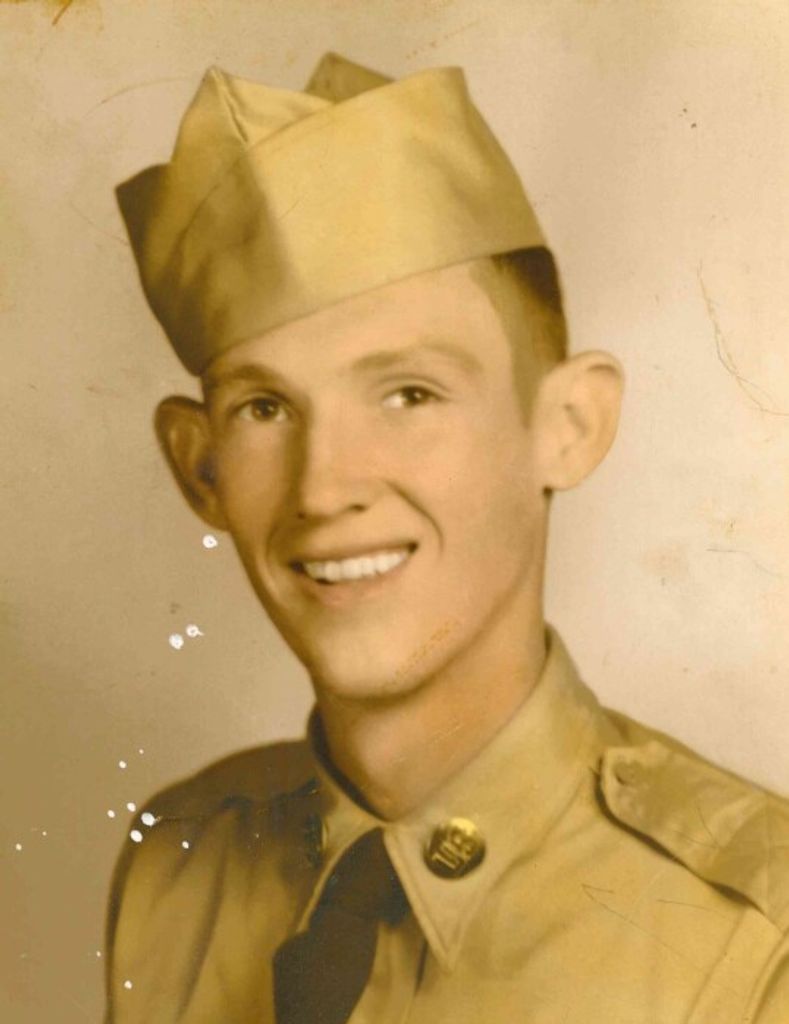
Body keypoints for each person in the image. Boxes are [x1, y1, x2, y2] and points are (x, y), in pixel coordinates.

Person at [105, 52, 789, 1023]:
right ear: (199, 466)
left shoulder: (754, 943)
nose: (323, 487)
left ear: (568, 425)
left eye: (409, 394)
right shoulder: (180, 868)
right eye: (264, 408)